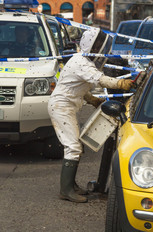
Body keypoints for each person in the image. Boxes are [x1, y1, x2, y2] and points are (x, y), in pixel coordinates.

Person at [48, 27, 135, 203]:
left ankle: (71, 186)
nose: (102, 52)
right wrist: (122, 83)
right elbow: (101, 80)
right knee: (73, 147)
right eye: (99, 48)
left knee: (76, 147)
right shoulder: (82, 63)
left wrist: (92, 99)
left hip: (65, 105)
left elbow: (73, 86)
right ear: (94, 48)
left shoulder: (79, 60)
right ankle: (66, 191)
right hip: (61, 107)